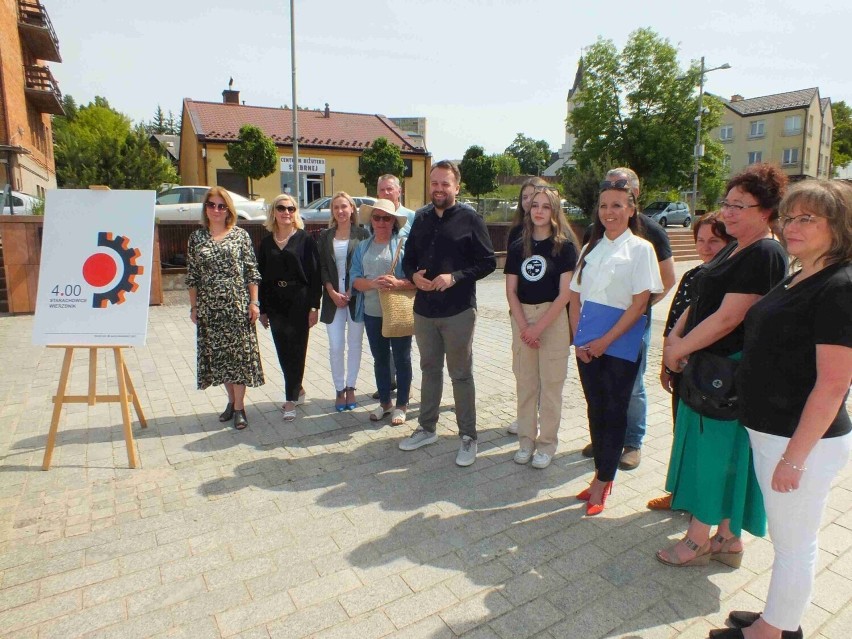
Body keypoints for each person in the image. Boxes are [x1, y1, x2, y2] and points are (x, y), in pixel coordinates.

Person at [711, 180, 852, 639]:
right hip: (774, 430)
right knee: (788, 539)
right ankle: (779, 614)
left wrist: (795, 457)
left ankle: (776, 630)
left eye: (807, 218)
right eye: (789, 217)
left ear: (840, 226)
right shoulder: (801, 273)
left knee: (796, 544)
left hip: (800, 439)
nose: (792, 226)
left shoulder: (839, 286)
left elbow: (833, 385)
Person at [657, 163, 788, 567]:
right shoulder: (736, 246)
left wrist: (679, 350)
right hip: (712, 366)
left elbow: (729, 317)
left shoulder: (765, 251)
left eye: (739, 206)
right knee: (726, 455)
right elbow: (701, 299)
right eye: (726, 203)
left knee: (714, 457)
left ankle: (697, 541)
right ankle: (728, 540)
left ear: (765, 211)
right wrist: (675, 339)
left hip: (726, 373)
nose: (727, 213)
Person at [569, 175, 663, 515]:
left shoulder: (641, 249)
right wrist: (579, 340)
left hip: (620, 344)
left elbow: (640, 303)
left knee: (614, 411)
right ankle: (599, 475)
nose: (609, 212)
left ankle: (604, 482)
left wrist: (604, 341)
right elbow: (575, 297)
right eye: (604, 205)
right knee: (595, 409)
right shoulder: (590, 247)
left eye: (617, 205)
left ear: (632, 208)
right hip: (587, 346)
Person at [399, 160, 497, 466]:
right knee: (429, 370)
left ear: (457, 186)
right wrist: (413, 276)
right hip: (425, 310)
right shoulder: (421, 217)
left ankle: (468, 437)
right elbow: (409, 260)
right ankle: (426, 428)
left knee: (460, 374)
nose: (439, 189)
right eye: (435, 183)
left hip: (458, 311)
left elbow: (488, 263)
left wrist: (454, 277)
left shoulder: (470, 219)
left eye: (445, 184)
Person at [579, 167, 675, 470]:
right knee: (601, 391)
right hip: (596, 325)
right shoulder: (595, 236)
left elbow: (668, 278)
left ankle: (632, 442)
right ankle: (606, 440)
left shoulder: (650, 234)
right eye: (605, 197)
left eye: (621, 194)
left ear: (634, 198)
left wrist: (638, 309)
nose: (611, 207)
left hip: (631, 325)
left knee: (630, 387)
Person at [647, 212, 734, 510]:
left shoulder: (732, 282)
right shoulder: (693, 275)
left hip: (713, 373)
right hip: (683, 368)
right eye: (701, 240)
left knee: (707, 440)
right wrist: (666, 363)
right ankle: (680, 492)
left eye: (715, 240)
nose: (706, 247)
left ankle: (704, 501)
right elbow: (672, 323)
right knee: (681, 431)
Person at [505, 186, 578, 468]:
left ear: (555, 211)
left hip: (553, 319)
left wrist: (538, 329)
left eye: (546, 207)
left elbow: (565, 294)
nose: (539, 211)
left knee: (551, 387)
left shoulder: (565, 247)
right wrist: (525, 327)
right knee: (526, 385)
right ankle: (526, 441)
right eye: (535, 205)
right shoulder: (517, 245)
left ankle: (546, 445)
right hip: (522, 316)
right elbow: (511, 290)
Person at [186, 186, 264, 430]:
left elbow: (252, 271)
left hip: (237, 305)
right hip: (210, 308)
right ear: (205, 208)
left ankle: (240, 408)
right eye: (212, 205)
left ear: (228, 209)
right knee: (220, 358)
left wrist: (254, 302)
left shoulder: (240, 235)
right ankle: (231, 402)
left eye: (221, 206)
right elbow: (192, 276)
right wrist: (193, 306)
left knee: (238, 358)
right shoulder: (196, 238)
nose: (216, 210)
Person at [256, 193, 321, 421]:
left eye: (291, 209)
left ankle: (290, 399)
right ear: (273, 212)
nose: (286, 213)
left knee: (297, 349)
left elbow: (315, 275)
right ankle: (297, 388)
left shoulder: (305, 240)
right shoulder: (265, 243)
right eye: (282, 208)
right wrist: (262, 309)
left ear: (296, 213)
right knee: (283, 350)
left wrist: (314, 306)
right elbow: (260, 278)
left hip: (299, 301)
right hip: (275, 302)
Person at [351, 199, 416, 425]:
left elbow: (415, 280)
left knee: (402, 358)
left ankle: (402, 405)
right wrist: (373, 284)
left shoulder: (404, 244)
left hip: (397, 312)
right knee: (380, 359)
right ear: (371, 221)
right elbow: (355, 280)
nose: (380, 222)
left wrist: (398, 283)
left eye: (386, 218)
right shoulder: (363, 247)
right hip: (371, 312)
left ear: (394, 222)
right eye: (376, 217)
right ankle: (385, 403)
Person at [504, 176, 549, 436]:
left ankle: (542, 415)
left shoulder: (556, 236)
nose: (531, 202)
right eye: (525, 198)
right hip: (519, 311)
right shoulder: (515, 234)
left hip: (547, 314)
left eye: (536, 197)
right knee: (522, 367)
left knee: (545, 369)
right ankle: (526, 415)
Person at [317, 192, 369, 411]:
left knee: (355, 345)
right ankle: (339, 389)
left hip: (355, 297)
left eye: (344, 206)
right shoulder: (325, 236)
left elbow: (366, 265)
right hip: (332, 299)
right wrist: (331, 292)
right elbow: (321, 267)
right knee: (336, 346)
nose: (340, 211)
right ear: (332, 212)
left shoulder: (363, 234)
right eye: (336, 207)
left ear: (352, 209)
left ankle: (351, 387)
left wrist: (349, 290)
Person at [371, 174, 417, 400]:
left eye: (390, 189)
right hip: (377, 299)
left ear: (399, 191)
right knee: (382, 349)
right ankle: (386, 384)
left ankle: (403, 392)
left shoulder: (412, 217)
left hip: (402, 292)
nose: (386, 193)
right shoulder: (376, 214)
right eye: (382, 190)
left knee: (401, 349)